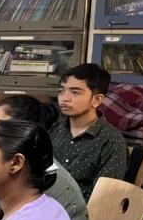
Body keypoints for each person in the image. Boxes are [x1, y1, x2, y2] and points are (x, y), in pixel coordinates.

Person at [50, 63, 127, 200]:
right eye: (61, 91)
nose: (64, 98)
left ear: (97, 100)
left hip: (82, 214)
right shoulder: (55, 131)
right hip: (45, 205)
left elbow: (104, 196)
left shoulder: (111, 140)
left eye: (75, 92)